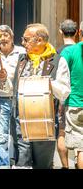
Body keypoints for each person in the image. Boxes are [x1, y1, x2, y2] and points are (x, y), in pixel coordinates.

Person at [11, 23, 71, 169]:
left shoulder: (58, 61)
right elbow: (13, 89)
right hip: (21, 122)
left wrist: (46, 83)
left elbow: (64, 91)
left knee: (43, 165)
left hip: (45, 123)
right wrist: (2, 81)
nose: (23, 43)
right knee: (21, 165)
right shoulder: (21, 60)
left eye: (26, 39)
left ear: (39, 40)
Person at [0, 25, 25, 169]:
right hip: (0, 99)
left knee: (19, 135)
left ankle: (18, 163)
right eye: (0, 36)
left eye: (6, 35)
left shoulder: (22, 52)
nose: (3, 38)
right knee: (1, 136)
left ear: (12, 37)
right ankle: (2, 166)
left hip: (19, 99)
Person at [61, 21, 83, 169]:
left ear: (80, 33)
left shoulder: (68, 52)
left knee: (81, 148)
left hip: (75, 105)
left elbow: (61, 82)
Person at [56, 19, 78, 168]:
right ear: (76, 33)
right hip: (78, 99)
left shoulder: (58, 53)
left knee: (62, 133)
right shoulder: (78, 51)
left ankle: (65, 166)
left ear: (60, 32)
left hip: (64, 100)